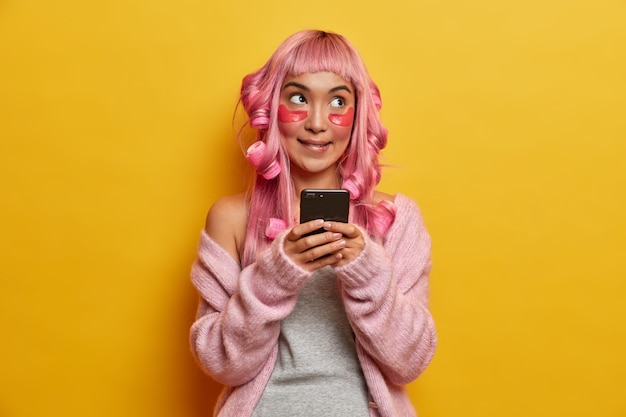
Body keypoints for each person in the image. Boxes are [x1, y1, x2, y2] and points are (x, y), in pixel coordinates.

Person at [189, 30, 436, 417]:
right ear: (271, 107)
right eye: (299, 99)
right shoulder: (232, 219)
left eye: (338, 101)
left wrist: (366, 272)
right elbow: (221, 363)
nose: (318, 123)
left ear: (358, 116)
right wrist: (275, 275)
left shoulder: (396, 220)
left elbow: (409, 362)